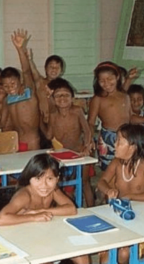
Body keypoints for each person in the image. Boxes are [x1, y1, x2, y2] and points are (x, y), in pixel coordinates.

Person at [0, 153, 89, 264]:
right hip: (24, 240)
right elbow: (0, 219)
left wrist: (41, 211)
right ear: (29, 178)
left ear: (57, 179)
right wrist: (33, 217)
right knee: (45, 258)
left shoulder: (53, 191)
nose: (44, 185)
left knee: (82, 254)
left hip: (45, 235)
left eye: (50, 179)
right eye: (38, 179)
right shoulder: (25, 195)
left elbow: (71, 209)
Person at [97, 123, 144, 264]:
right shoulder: (116, 163)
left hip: (140, 220)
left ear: (133, 147)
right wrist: (108, 190)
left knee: (124, 253)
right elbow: (101, 182)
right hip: (118, 218)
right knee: (106, 259)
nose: (114, 144)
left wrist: (129, 197)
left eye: (119, 141)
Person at [40, 78, 94, 207]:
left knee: (85, 181)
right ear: (53, 99)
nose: (62, 98)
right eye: (58, 95)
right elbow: (49, 135)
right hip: (62, 156)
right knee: (63, 184)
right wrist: (40, 120)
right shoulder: (53, 115)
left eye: (66, 95)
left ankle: (93, 208)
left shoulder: (77, 111)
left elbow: (87, 131)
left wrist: (87, 146)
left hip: (80, 152)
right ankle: (67, 207)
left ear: (72, 97)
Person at [0, 29, 40, 151]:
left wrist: (19, 49)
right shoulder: (8, 100)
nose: (10, 87)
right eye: (6, 86)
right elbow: (4, 124)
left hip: (32, 141)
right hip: (16, 143)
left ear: (20, 80)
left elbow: (26, 71)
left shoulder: (27, 92)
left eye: (13, 83)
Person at [88, 61, 131, 171]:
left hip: (128, 137)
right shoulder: (97, 99)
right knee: (109, 170)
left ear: (117, 77)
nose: (106, 83)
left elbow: (129, 116)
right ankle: (110, 188)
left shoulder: (125, 96)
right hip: (108, 137)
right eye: (102, 80)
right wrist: (89, 140)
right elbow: (91, 122)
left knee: (127, 168)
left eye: (110, 79)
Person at [28, 49, 64, 123]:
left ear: (61, 71)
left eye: (57, 67)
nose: (54, 69)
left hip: (57, 121)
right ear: (45, 68)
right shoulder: (40, 82)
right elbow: (34, 72)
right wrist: (29, 59)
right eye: (51, 67)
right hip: (42, 121)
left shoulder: (63, 85)